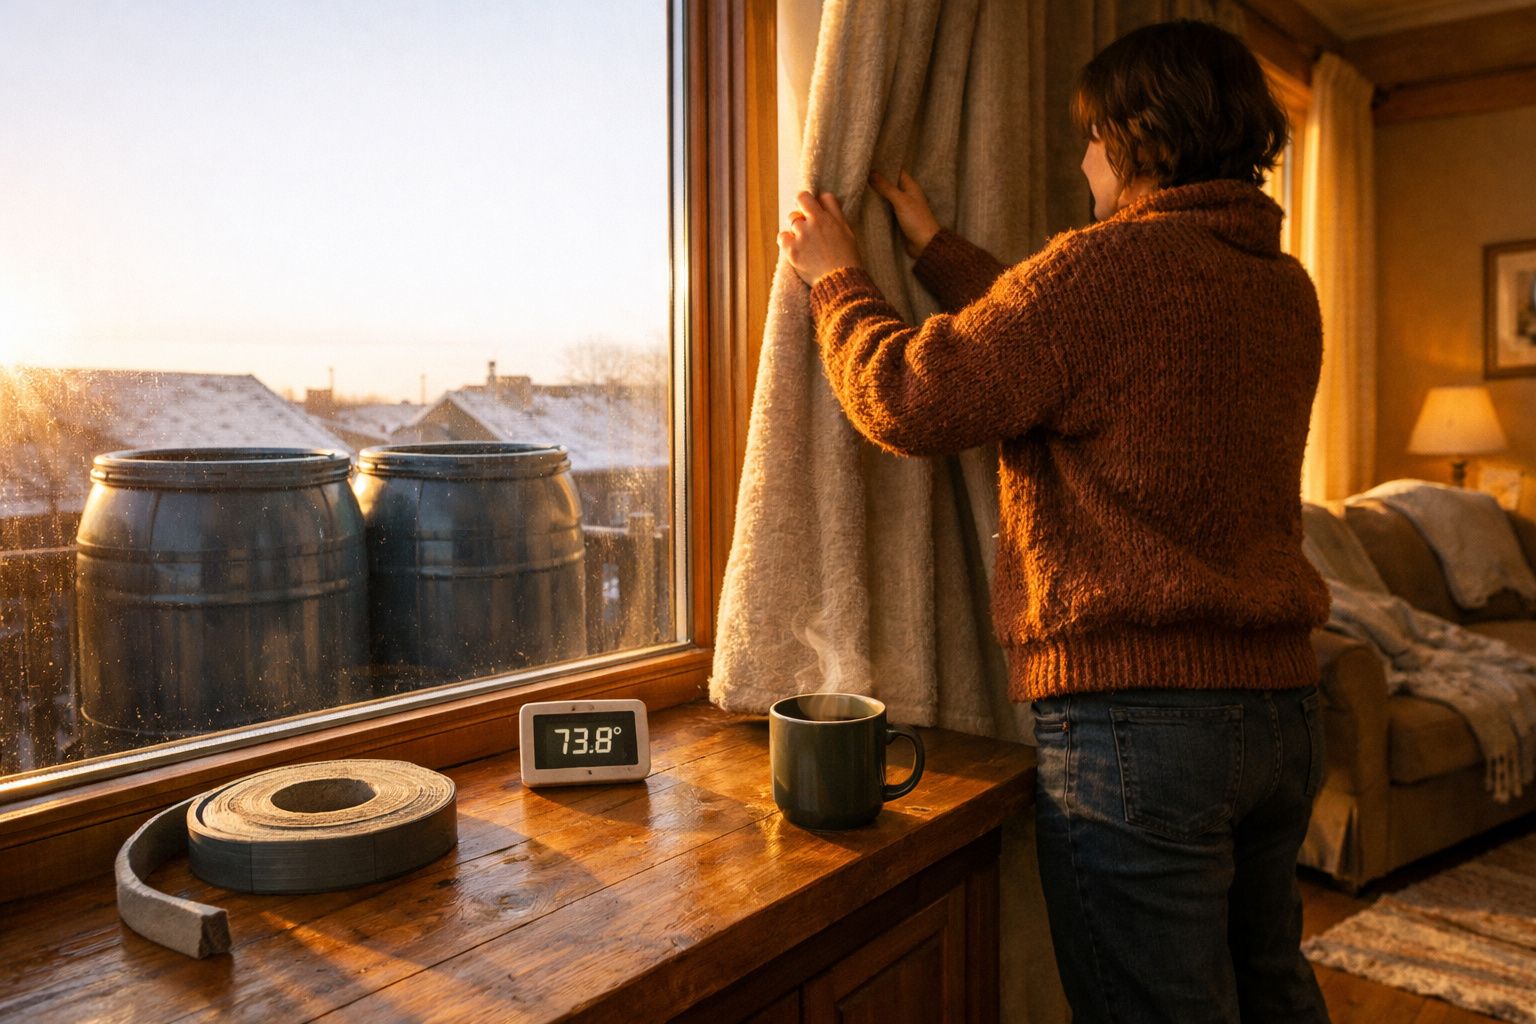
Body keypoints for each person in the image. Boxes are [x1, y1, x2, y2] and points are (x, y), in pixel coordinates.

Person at [777, 19, 1332, 1024]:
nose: (1083, 161)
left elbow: (910, 399)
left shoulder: (1102, 270)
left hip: (1143, 727)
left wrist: (837, 281)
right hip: (1283, 713)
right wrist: (937, 250)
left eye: (1091, 137)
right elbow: (1091, 351)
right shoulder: (1283, 287)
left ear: (1135, 135)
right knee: (1273, 991)